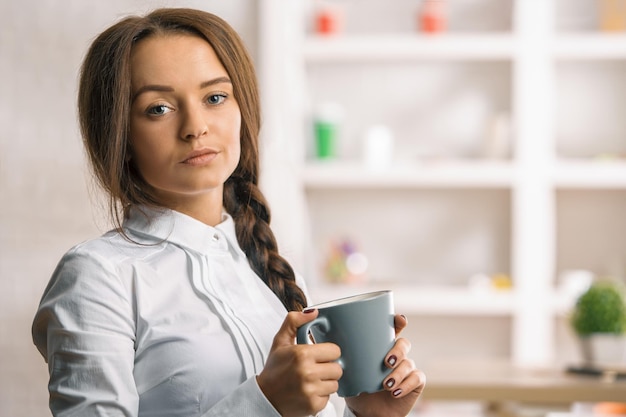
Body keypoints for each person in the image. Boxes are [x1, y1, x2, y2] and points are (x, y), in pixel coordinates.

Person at [31, 7, 426, 417]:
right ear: (119, 135)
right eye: (158, 108)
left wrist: (366, 413)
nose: (195, 126)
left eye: (215, 97)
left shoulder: (272, 271)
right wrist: (265, 402)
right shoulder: (97, 277)